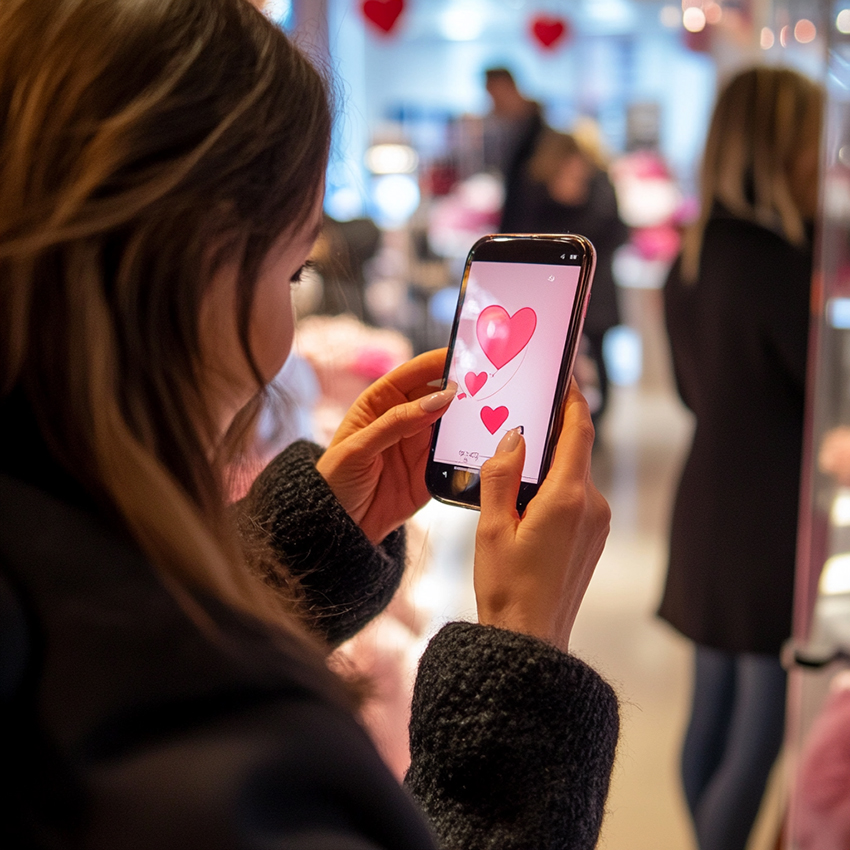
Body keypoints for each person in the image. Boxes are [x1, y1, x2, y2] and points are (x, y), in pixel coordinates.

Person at [0, 2, 619, 848]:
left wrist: (308, 547)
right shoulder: (172, 756)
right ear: (184, 275)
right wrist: (519, 657)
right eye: (292, 272)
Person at [659, 66, 823, 850]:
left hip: (709, 496)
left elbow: (695, 393)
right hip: (769, 508)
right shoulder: (787, 262)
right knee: (758, 727)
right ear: (782, 146)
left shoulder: (693, 256)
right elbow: (819, 393)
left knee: (713, 709)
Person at [512, 130, 629, 422]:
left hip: (595, 286)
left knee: (598, 355)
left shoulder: (599, 184)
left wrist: (579, 203)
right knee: (555, 356)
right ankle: (557, 420)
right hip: (553, 287)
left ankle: (595, 424)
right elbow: (528, 237)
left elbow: (617, 232)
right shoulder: (536, 189)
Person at [481, 67, 547, 233]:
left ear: (507, 88)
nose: (492, 104)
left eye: (493, 95)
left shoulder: (538, 135)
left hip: (532, 229)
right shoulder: (516, 129)